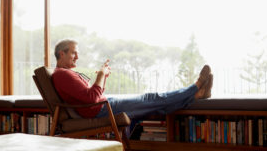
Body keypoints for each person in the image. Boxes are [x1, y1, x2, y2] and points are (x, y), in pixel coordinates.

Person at [52, 39, 213, 120]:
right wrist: (101, 75)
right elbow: (91, 98)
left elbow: (93, 95)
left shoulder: (65, 74)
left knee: (155, 106)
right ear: (62, 54)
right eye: (74, 53)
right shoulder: (62, 74)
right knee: (152, 98)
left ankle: (196, 95)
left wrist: (104, 76)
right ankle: (196, 86)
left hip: (103, 105)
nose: (77, 57)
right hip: (101, 109)